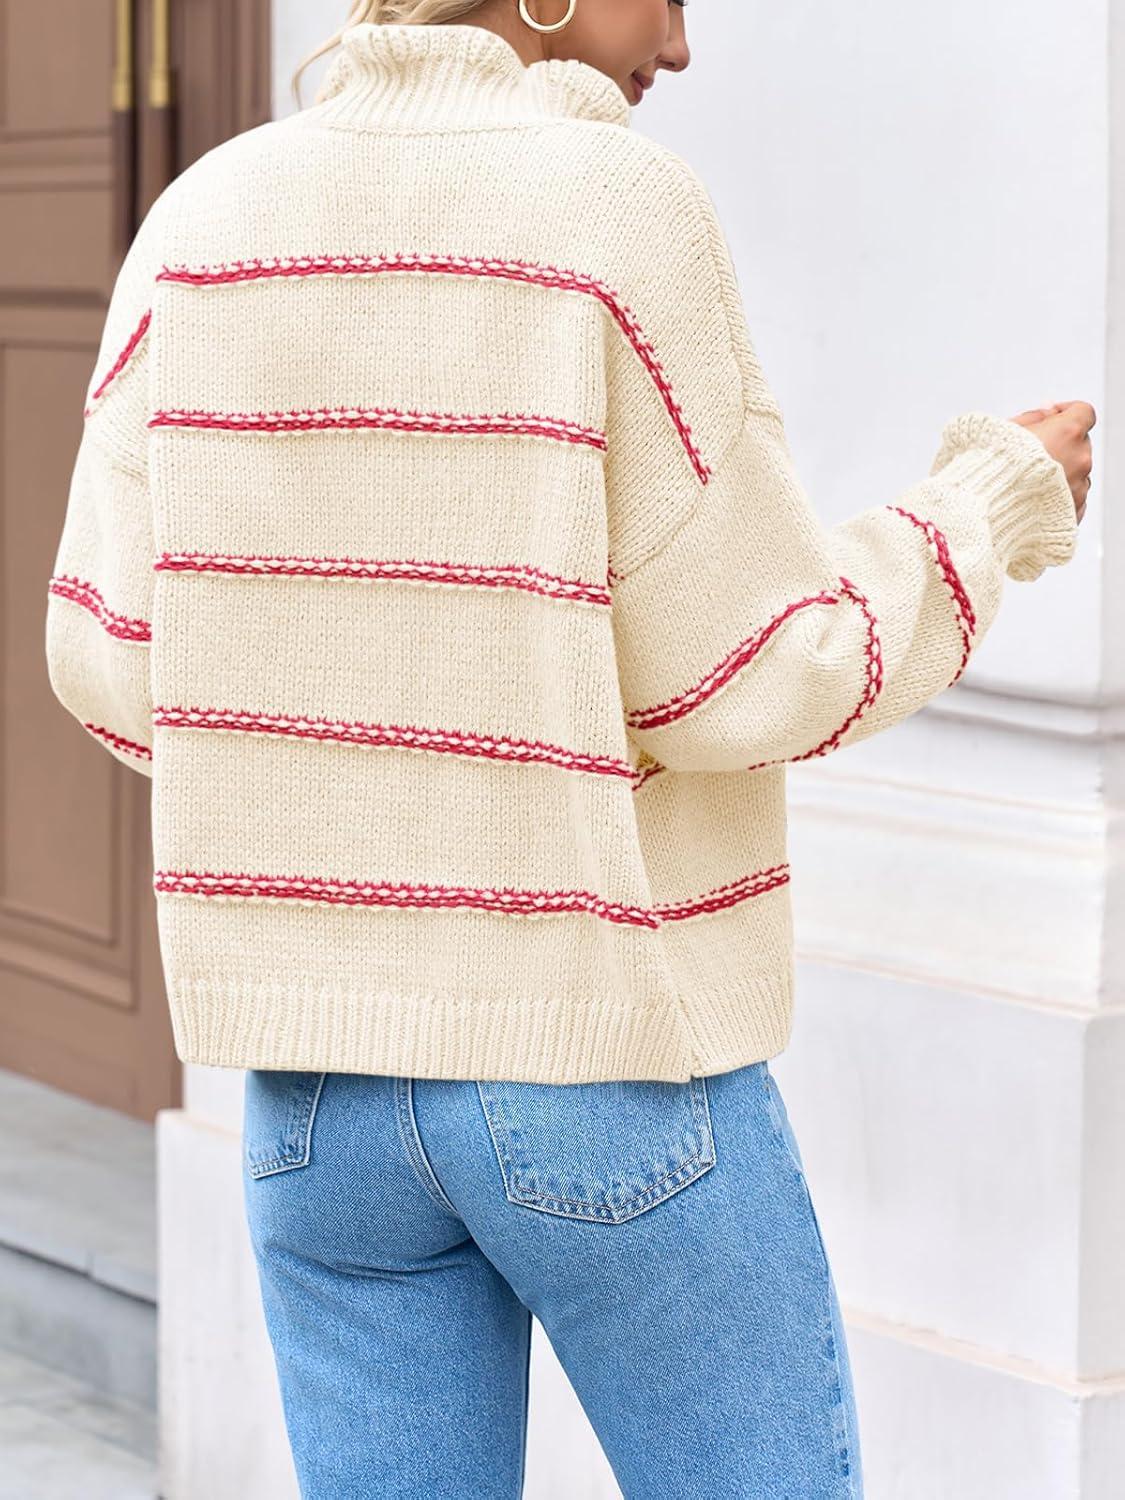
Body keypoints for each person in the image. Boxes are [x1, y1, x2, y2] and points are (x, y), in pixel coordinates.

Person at [44, 1, 1094, 1494]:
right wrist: (986, 508)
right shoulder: (612, 209)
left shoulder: (203, 219)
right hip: (600, 1069)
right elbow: (751, 670)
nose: (680, 42)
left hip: (317, 1104)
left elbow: (109, 654)